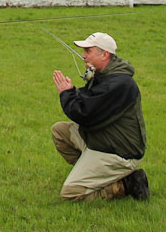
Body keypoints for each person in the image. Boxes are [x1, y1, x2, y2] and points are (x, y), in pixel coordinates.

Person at [50, 32, 149, 201]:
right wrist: (72, 91)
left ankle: (124, 184)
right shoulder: (103, 75)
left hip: (120, 152)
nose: (83, 56)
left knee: (70, 194)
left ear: (105, 54)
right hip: (103, 139)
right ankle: (95, 176)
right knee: (60, 131)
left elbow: (84, 114)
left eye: (88, 51)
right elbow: (90, 99)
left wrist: (67, 93)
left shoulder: (119, 84)